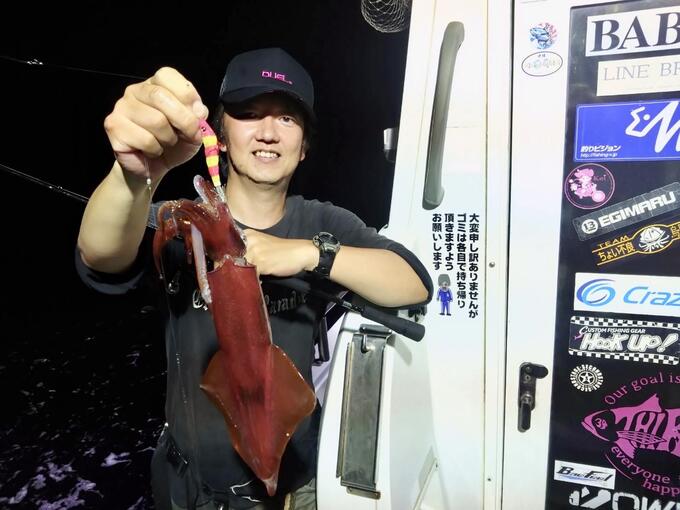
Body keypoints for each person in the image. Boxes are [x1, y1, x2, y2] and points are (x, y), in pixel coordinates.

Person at [76, 47, 433, 510]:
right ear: (221, 135)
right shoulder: (182, 226)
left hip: (295, 486)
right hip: (192, 488)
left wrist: (308, 253)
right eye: (248, 113)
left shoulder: (321, 223)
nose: (267, 131)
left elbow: (413, 282)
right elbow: (101, 256)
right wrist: (134, 176)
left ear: (304, 146)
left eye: (286, 118)